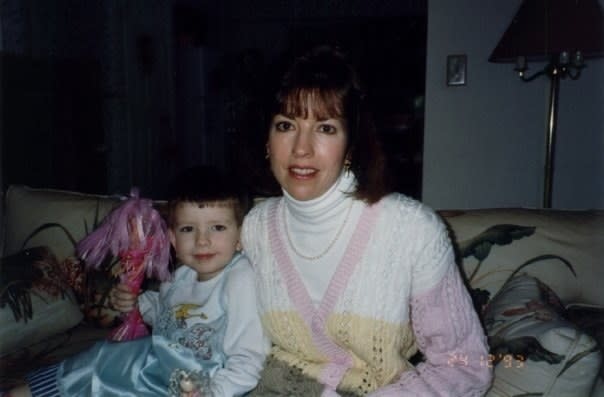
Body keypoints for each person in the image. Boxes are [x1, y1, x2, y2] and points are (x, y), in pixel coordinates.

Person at [240, 45, 493, 396]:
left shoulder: (412, 230)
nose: (301, 148)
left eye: (325, 128)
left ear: (352, 146)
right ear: (267, 140)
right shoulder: (253, 228)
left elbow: (466, 367)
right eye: (286, 125)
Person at [10, 166, 267, 397]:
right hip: (162, 375)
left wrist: (214, 392)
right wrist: (136, 304)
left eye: (217, 228)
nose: (202, 240)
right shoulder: (179, 277)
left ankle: (33, 392)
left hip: (205, 381)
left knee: (110, 359)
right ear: (173, 239)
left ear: (241, 236)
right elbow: (168, 316)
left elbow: (248, 356)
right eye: (188, 229)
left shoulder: (239, 278)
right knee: (108, 360)